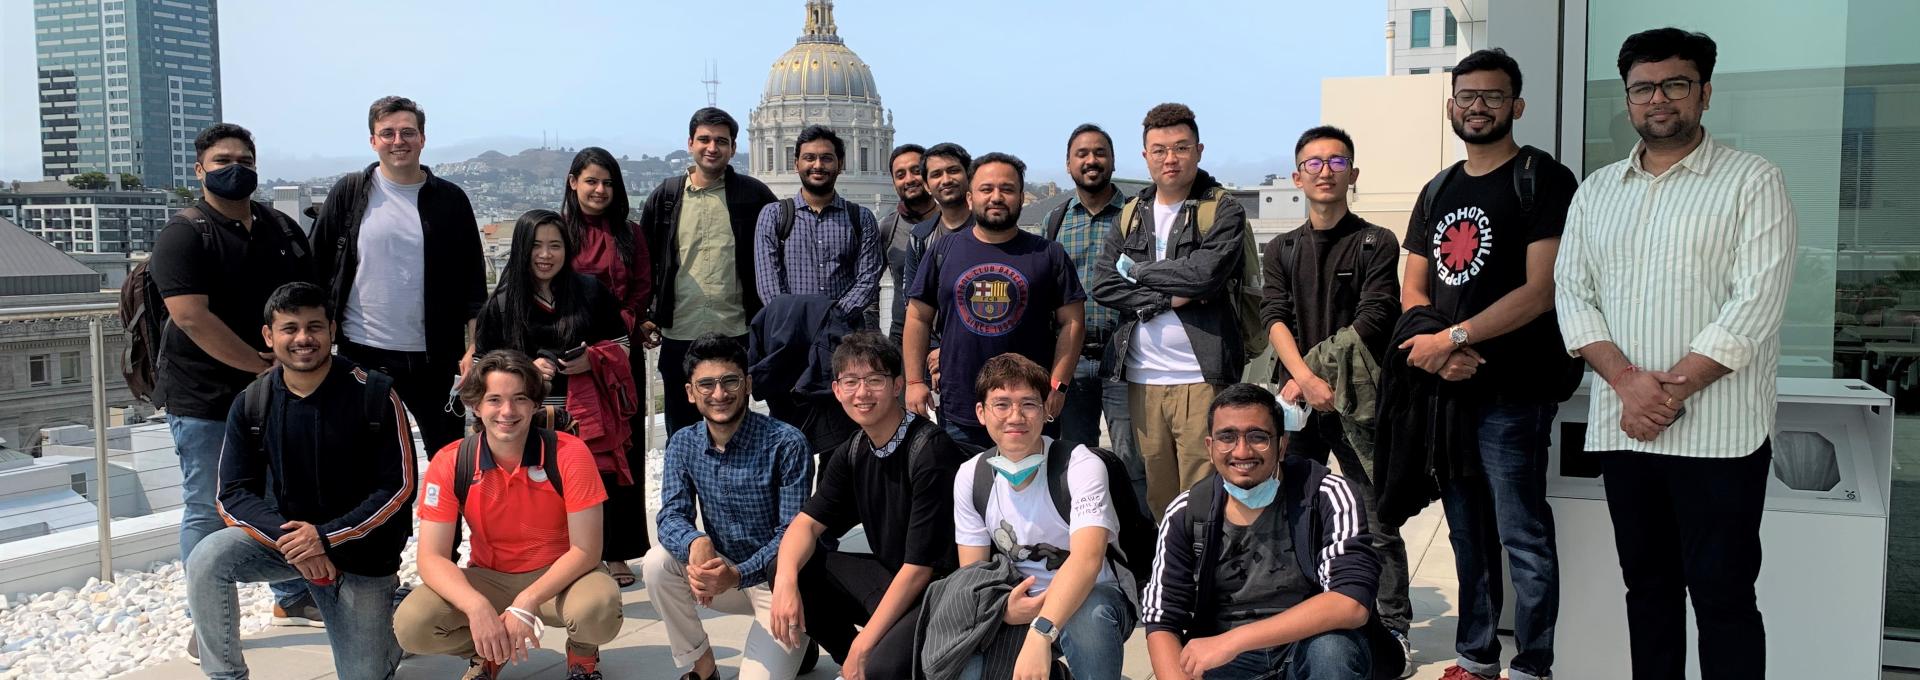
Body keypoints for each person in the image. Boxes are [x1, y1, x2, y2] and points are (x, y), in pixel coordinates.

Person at [1555, 28, 1795, 679]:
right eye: (1643, 88)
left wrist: (1665, 392)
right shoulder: (1597, 192)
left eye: (1675, 84)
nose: (1658, 99)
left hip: (1720, 439)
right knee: (1649, 594)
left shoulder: (1753, 181)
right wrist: (1627, 382)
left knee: (1723, 599)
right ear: (1628, 99)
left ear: (1705, 93)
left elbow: (1755, 305)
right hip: (1626, 434)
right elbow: (1572, 297)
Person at [1401, 48, 1583, 680]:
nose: (1477, 106)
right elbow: (1414, 289)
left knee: (1522, 537)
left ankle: (1532, 666)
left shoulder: (1543, 178)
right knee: (1466, 536)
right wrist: (1437, 349)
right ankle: (1475, 659)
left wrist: (1451, 337)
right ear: (1452, 104)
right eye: (1467, 96)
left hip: (1516, 391)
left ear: (1517, 106)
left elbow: (1543, 289)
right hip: (1449, 394)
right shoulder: (1438, 188)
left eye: (1493, 96)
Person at [187, 282, 413, 680]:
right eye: (290, 328)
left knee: (365, 674)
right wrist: (299, 543)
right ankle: (226, 677)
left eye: (314, 327)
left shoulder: (374, 394)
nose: (303, 338)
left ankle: (391, 614)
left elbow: (397, 487)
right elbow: (232, 494)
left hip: (361, 555)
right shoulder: (253, 401)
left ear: (332, 330)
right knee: (207, 558)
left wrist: (324, 538)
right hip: (291, 545)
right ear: (269, 336)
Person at [149, 122, 318, 650]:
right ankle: (209, 624)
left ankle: (291, 595)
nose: (234, 168)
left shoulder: (279, 228)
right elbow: (191, 317)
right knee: (207, 505)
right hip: (204, 397)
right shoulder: (184, 234)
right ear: (200, 170)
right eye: (222, 160)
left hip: (276, 393)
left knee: (284, 496)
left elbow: (306, 301)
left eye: (244, 158)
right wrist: (259, 366)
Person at [1260, 125, 1412, 674]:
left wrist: (1310, 375)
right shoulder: (1281, 248)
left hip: (1359, 405)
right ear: (1298, 175)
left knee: (1376, 516)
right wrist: (1301, 379)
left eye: (1336, 160)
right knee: (1295, 512)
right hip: (1296, 403)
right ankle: (1301, 612)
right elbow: (1273, 316)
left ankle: (1392, 624)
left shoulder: (1376, 241)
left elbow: (1376, 317)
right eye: (1314, 162)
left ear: (1352, 172)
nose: (1325, 170)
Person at [394, 350, 621, 680]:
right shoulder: (451, 462)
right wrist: (477, 606)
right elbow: (431, 557)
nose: (508, 411)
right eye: (495, 400)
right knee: (412, 624)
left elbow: (586, 550)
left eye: (520, 399)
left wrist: (526, 601)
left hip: (562, 576)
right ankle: (487, 651)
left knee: (597, 608)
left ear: (534, 404)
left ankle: (583, 651)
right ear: (476, 405)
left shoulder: (569, 453)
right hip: (491, 576)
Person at [1142, 383, 1386, 679]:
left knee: (1332, 651)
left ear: (1282, 445)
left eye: (1258, 437)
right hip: (1227, 660)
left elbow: (1350, 603)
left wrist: (1232, 641)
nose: (1242, 451)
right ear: (1210, 447)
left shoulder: (1326, 494)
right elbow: (1161, 619)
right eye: (1227, 437)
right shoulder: (1185, 512)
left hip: (1305, 646)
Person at [768, 331, 968, 679]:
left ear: (897, 386)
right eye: (851, 382)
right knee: (786, 567)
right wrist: (785, 584)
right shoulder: (855, 449)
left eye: (875, 380)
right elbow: (806, 524)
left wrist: (866, 645)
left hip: (936, 591)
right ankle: (855, 664)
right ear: (837, 391)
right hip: (893, 577)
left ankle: (868, 660)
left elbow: (921, 568)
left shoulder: (930, 450)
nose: (862, 393)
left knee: (882, 665)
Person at [1090, 103, 1254, 520]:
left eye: (1181, 147)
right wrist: (1169, 296)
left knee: (1209, 493)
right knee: (1160, 499)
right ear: (1145, 156)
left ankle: (1211, 580)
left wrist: (1141, 272)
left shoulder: (1222, 209)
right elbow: (1104, 282)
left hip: (1201, 377)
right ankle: (1174, 578)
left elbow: (1205, 275)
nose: (1170, 158)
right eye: (1159, 149)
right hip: (1142, 379)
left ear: (1198, 150)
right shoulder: (1131, 214)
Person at [311, 95, 486, 456]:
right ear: (373, 141)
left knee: (448, 456)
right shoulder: (350, 193)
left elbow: (473, 282)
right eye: (387, 133)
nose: (398, 141)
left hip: (435, 357)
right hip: (363, 351)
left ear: (423, 138)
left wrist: (475, 347)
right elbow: (317, 267)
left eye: (407, 132)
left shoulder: (450, 200)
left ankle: (443, 516)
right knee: (367, 460)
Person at [949, 353, 1135, 679]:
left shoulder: (1079, 465)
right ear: (981, 412)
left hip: (1092, 595)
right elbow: (975, 575)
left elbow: (1088, 560)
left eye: (1029, 404)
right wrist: (1003, 609)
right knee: (964, 665)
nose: (1015, 417)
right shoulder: (971, 476)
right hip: (1018, 600)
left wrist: (1040, 631)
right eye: (1002, 404)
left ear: (1047, 409)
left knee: (1087, 623)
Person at [641, 335, 814, 680]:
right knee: (657, 564)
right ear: (690, 392)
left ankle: (803, 640)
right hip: (721, 571)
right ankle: (703, 668)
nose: (719, 394)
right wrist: (695, 541)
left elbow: (793, 533)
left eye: (729, 381)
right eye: (706, 384)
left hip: (779, 581)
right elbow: (671, 515)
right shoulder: (684, 442)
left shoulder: (787, 442)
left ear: (747, 384)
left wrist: (736, 574)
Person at [903, 153, 1086, 450]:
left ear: (1021, 197)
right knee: (965, 492)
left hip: (1029, 409)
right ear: (970, 198)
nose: (997, 197)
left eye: (1007, 189)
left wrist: (1058, 385)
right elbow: (917, 317)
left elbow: (1073, 322)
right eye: (987, 189)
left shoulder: (1048, 254)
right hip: (961, 407)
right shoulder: (943, 250)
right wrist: (913, 382)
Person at [639, 107, 779, 435]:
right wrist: (643, 313)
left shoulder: (753, 195)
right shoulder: (666, 197)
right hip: (679, 333)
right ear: (690, 143)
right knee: (681, 431)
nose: (712, 147)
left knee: (735, 427)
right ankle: (682, 487)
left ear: (733, 147)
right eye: (704, 139)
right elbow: (643, 258)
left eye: (721, 141)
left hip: (736, 330)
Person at [558, 150, 655, 586]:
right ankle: (575, 551)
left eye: (608, 183)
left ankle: (617, 550)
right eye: (592, 181)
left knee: (621, 450)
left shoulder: (630, 235)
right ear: (573, 181)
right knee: (571, 450)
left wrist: (622, 329)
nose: (600, 191)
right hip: (566, 356)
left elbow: (640, 288)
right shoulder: (557, 233)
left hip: (617, 353)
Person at [1042, 123, 1144, 505]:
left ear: (1113, 161)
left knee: (1132, 461)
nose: (1091, 160)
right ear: (1068, 164)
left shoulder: (1137, 215)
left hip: (1126, 359)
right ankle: (1080, 545)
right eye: (1082, 154)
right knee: (1073, 462)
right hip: (1071, 363)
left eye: (1099, 153)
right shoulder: (1055, 221)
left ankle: (1138, 548)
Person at [753, 124, 883, 327]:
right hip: (789, 333)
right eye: (809, 158)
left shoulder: (861, 218)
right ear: (796, 163)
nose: (818, 165)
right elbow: (768, 285)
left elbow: (867, 280)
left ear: (840, 164)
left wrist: (830, 320)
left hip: (844, 338)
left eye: (826, 158)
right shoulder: (773, 215)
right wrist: (797, 321)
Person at [882, 144, 938, 341]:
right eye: (900, 174)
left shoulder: (955, 222)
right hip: (902, 335)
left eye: (916, 171)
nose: (909, 179)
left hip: (948, 335)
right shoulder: (887, 227)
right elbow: (871, 293)